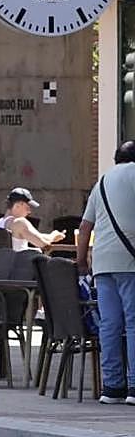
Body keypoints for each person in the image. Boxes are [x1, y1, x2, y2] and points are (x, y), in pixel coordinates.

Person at [78, 141, 135, 405]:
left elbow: (85, 225)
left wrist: (81, 260)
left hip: (102, 263)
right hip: (130, 262)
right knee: (133, 323)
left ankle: (112, 387)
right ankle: (134, 386)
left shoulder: (101, 183)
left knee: (110, 324)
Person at [0, 188, 66, 250]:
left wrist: (52, 235)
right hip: (19, 266)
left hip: (0, 266)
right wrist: (53, 236)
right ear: (18, 205)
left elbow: (38, 236)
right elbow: (42, 243)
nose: (29, 211)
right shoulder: (20, 222)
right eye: (27, 207)